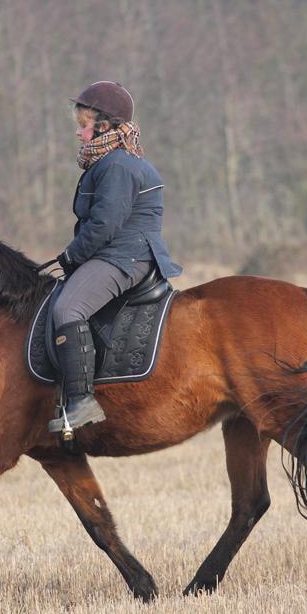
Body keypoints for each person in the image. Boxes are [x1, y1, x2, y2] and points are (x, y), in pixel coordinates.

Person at [48, 81, 183, 434]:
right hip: (120, 252)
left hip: (125, 256)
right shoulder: (113, 161)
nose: (79, 134)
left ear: (104, 126)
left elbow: (105, 225)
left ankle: (81, 403)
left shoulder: (117, 165)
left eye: (83, 125)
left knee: (67, 309)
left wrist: (70, 256)